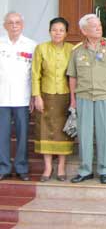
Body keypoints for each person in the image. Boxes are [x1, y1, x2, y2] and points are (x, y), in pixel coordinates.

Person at [67, 14, 106, 184]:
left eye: (100, 25)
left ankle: (105, 170)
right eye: (94, 26)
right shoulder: (77, 51)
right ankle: (85, 170)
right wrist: (72, 99)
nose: (99, 28)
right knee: (84, 134)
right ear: (84, 30)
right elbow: (72, 77)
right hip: (83, 96)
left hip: (105, 96)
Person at [31, 17, 74, 182]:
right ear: (49, 31)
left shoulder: (72, 49)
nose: (58, 33)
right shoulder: (41, 48)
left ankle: (61, 168)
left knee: (64, 132)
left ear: (66, 33)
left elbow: (74, 75)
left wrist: (73, 98)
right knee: (45, 131)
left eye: (61, 30)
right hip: (46, 96)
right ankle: (48, 168)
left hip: (65, 95)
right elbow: (35, 74)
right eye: (55, 29)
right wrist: (37, 96)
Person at [0, 12, 36, 181]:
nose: (14, 26)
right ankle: (4, 167)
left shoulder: (31, 45)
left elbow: (35, 74)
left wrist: (33, 96)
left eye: (17, 22)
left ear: (23, 25)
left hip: (22, 98)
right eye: (10, 23)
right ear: (4, 25)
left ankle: (22, 168)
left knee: (23, 135)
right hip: (2, 98)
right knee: (2, 135)